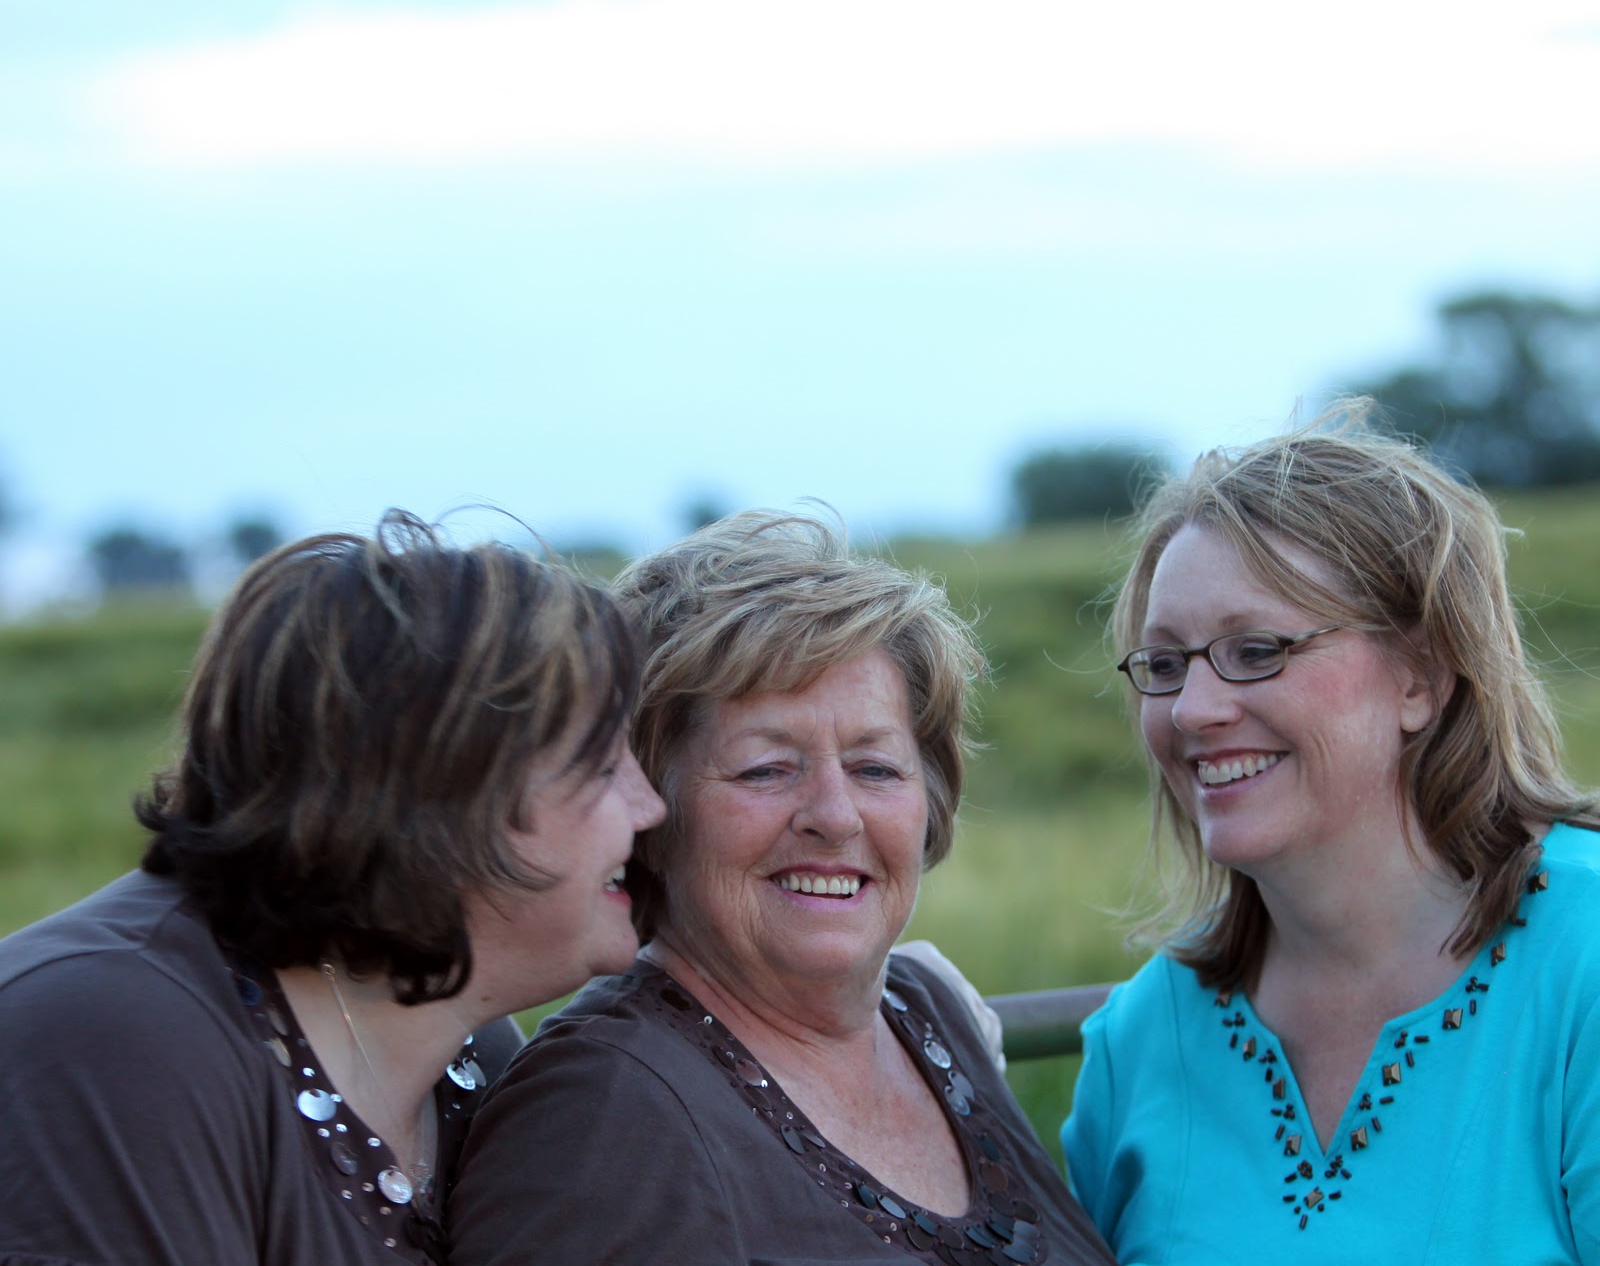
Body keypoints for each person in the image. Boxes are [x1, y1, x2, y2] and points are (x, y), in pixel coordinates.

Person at [449, 511, 1117, 1266]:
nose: (835, 816)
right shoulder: (601, 1118)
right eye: (765, 769)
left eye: (875, 768)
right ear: (649, 809)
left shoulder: (925, 1013)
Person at [0, 510, 665, 1266]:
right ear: (439, 793)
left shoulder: (462, 1043)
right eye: (602, 766)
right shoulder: (108, 1041)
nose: (651, 808)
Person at [1061, 405, 1600, 1263]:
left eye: (1256, 650)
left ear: (1420, 675)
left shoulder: (1582, 961)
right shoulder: (1143, 1041)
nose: (1192, 709)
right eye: (1164, 665)